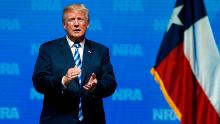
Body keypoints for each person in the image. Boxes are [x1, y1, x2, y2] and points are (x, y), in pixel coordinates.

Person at [32, 4, 117, 124]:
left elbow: (111, 83)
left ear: (87, 24)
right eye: (71, 19)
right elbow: (39, 82)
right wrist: (63, 80)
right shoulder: (48, 49)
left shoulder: (101, 51)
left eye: (80, 19)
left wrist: (97, 86)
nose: (76, 24)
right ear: (64, 25)